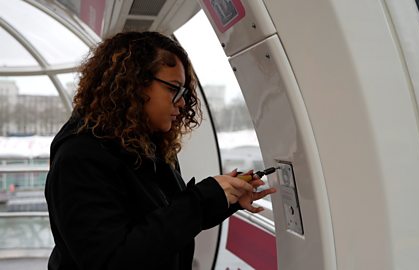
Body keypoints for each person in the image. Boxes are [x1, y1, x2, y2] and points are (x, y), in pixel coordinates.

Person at [45, 31, 276, 270]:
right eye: (174, 89)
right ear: (133, 83)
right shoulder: (80, 157)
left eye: (184, 93)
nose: (183, 102)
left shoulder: (145, 144)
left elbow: (162, 225)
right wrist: (201, 200)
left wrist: (223, 198)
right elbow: (112, 259)